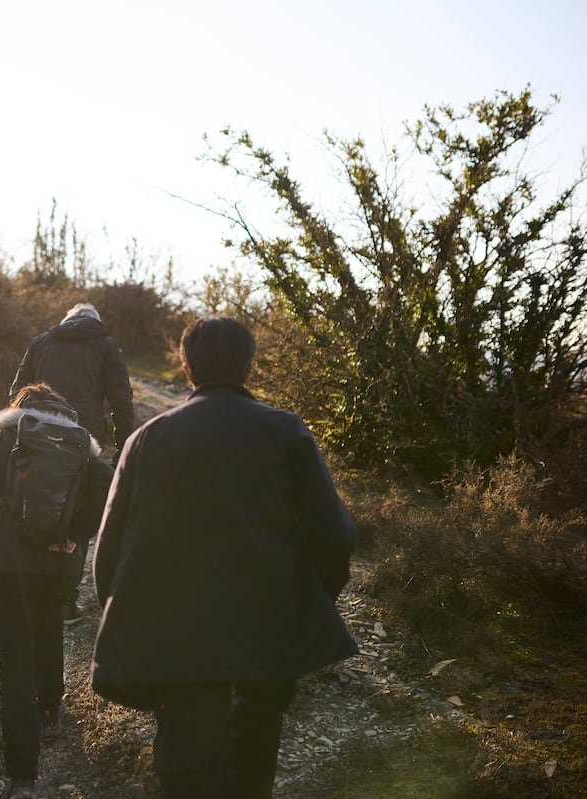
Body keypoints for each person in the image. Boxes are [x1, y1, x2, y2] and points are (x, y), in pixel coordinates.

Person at [90, 317, 358, 799]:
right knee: (251, 770)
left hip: (178, 641)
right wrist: (302, 605)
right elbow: (334, 536)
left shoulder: (146, 439)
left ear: (186, 367)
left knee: (186, 774)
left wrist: (128, 618)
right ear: (249, 368)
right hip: (266, 636)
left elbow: (107, 551)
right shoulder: (285, 431)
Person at [0, 384, 114, 799]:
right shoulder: (81, 450)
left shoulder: (4, 436)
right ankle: (50, 710)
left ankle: (22, 778)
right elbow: (112, 487)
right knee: (49, 629)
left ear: (20, 410)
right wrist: (76, 532)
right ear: (67, 416)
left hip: (4, 566)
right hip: (57, 566)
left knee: (15, 662)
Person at [9, 302, 135, 624]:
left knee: (31, 502)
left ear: (67, 321)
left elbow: (16, 391)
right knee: (75, 512)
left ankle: (25, 591)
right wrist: (124, 450)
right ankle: (64, 601)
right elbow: (121, 401)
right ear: (95, 322)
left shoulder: (42, 341)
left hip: (33, 434)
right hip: (82, 439)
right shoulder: (106, 345)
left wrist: (14, 431)